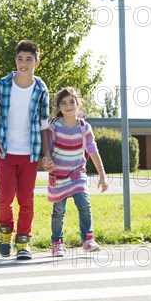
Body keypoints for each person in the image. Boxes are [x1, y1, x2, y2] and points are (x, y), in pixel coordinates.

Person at [0, 40, 50, 260]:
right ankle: (5, 233)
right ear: (15, 60)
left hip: (30, 153)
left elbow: (43, 124)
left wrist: (46, 153)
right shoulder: (3, 84)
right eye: (20, 59)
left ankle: (23, 242)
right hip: (5, 151)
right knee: (4, 197)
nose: (24, 64)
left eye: (29, 60)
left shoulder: (41, 89)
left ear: (36, 63)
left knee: (26, 199)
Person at [42, 87, 108, 257]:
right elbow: (46, 146)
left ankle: (88, 240)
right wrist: (46, 159)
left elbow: (93, 151)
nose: (68, 105)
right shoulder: (53, 126)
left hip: (77, 173)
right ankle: (57, 242)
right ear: (58, 107)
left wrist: (102, 175)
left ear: (78, 105)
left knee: (84, 204)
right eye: (63, 103)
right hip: (58, 175)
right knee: (58, 211)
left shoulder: (84, 127)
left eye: (72, 102)